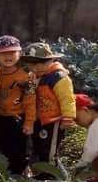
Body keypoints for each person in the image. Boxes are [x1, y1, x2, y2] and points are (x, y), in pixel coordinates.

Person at [23, 42, 76, 170]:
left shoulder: (58, 77)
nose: (38, 67)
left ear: (51, 60)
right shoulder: (33, 77)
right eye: (33, 64)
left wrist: (68, 117)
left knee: (50, 151)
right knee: (39, 148)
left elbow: (67, 98)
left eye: (43, 63)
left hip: (54, 120)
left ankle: (52, 176)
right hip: (39, 119)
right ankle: (41, 174)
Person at [0, 36, 36, 176]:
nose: (8, 56)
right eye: (3, 53)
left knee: (20, 151)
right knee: (3, 149)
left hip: (19, 118)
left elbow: (30, 100)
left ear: (19, 54)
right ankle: (5, 179)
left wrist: (29, 122)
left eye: (12, 52)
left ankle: (21, 178)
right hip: (1, 118)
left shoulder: (25, 77)